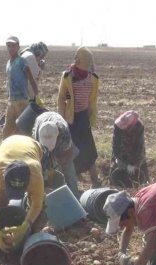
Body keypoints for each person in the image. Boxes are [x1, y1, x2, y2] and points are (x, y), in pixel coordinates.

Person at [0, 135, 47, 253]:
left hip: (33, 146)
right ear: (3, 178)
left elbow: (37, 205)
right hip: (9, 143)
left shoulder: (35, 176)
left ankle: (33, 238)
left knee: (40, 206)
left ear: (28, 181)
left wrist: (25, 226)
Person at [57, 47, 101, 187]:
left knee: (89, 150)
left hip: (83, 118)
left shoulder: (92, 79)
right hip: (70, 119)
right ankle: (71, 180)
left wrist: (89, 117)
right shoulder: (68, 77)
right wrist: (61, 118)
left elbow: (91, 101)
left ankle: (95, 180)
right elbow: (62, 98)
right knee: (70, 149)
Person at [32, 111, 79, 196]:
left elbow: (69, 153)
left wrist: (59, 163)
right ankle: (53, 195)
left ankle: (75, 196)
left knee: (68, 170)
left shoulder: (64, 132)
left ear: (57, 137)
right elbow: (39, 157)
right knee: (45, 170)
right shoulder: (37, 135)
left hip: (59, 132)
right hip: (41, 120)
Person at [2, 36, 39, 137]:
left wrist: (37, 96)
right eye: (9, 46)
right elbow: (9, 81)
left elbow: (31, 78)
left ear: (18, 47)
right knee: (7, 130)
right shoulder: (8, 63)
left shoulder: (22, 61)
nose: (10, 48)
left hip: (22, 100)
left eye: (13, 46)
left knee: (22, 130)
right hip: (11, 101)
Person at [110, 110, 148, 187]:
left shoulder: (139, 127)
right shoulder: (118, 126)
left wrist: (134, 163)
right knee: (115, 169)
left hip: (134, 151)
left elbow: (139, 148)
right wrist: (118, 158)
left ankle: (142, 185)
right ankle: (114, 185)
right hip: (122, 150)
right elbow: (116, 145)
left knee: (140, 172)